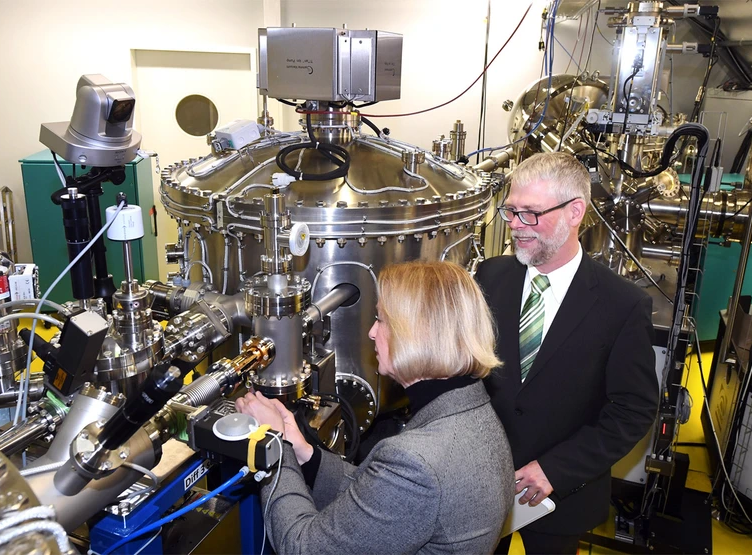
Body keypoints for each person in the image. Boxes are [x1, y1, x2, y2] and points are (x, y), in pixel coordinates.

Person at [236, 260, 515, 555]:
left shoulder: (415, 462)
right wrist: (306, 456)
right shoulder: (474, 409)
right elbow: (382, 503)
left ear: (415, 334)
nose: (371, 332)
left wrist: (274, 447)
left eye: (381, 320)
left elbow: (303, 547)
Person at [475, 152, 659, 554]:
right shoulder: (491, 275)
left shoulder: (622, 305)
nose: (515, 227)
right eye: (510, 211)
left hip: (561, 498)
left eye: (531, 214)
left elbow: (633, 409)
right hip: (482, 482)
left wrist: (555, 469)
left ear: (576, 211)